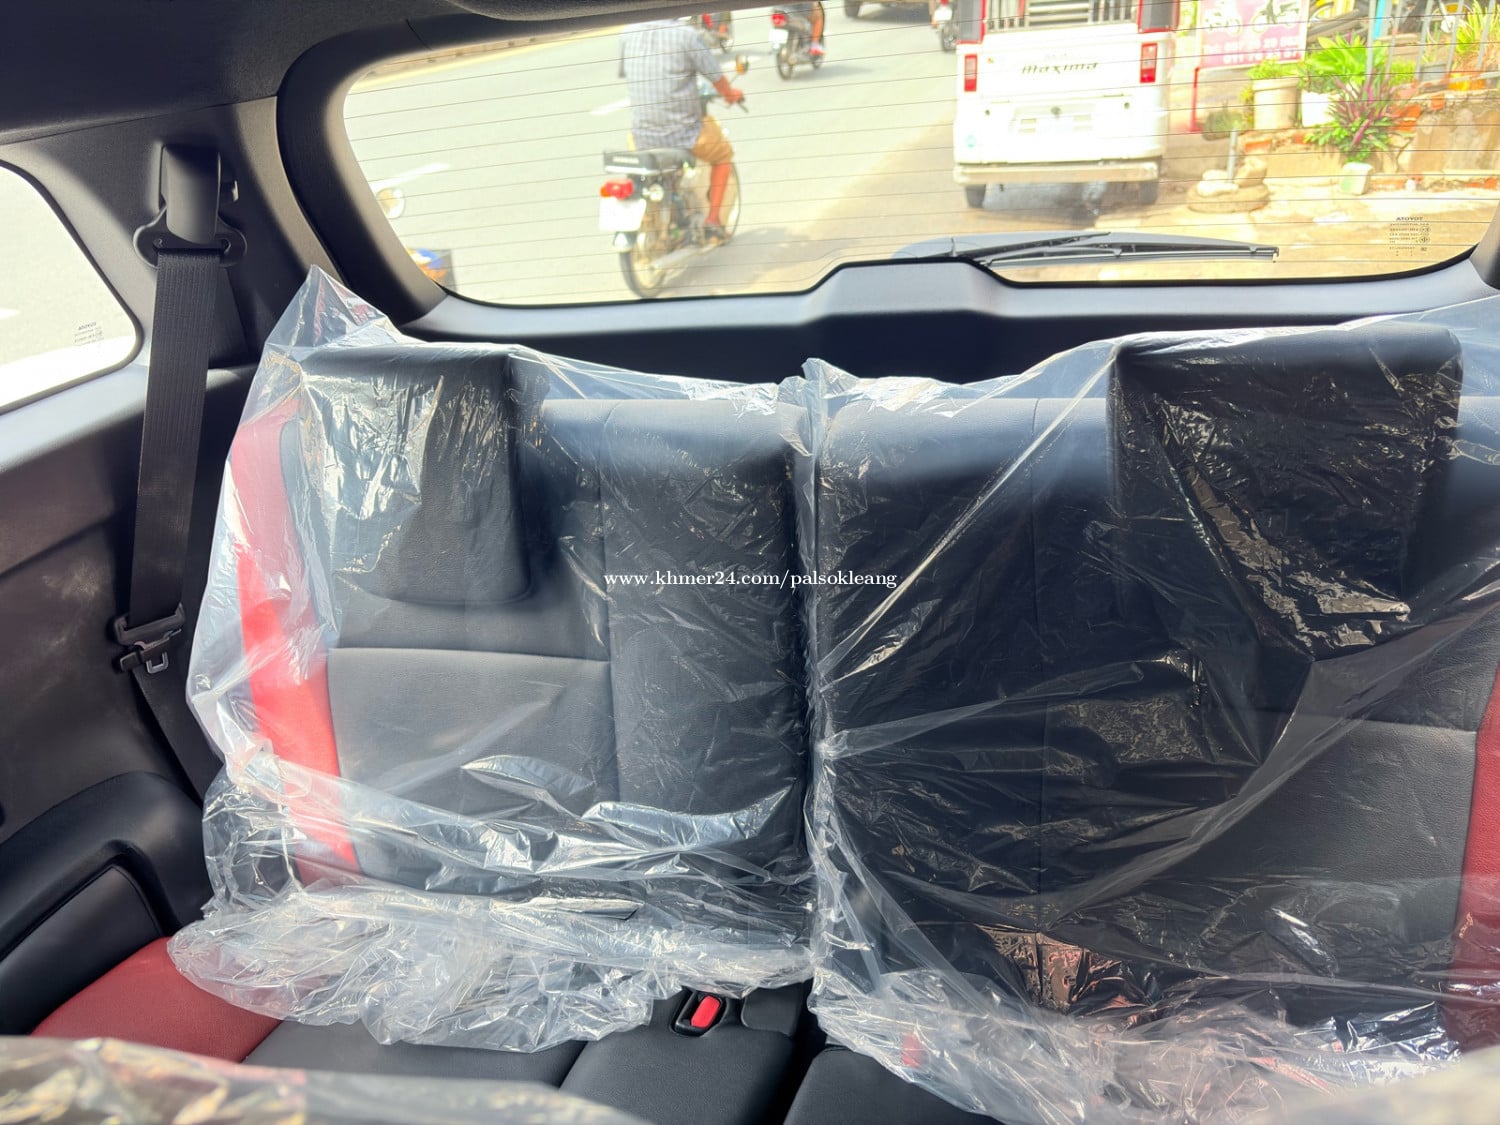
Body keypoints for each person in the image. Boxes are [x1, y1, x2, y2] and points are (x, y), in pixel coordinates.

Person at [618, 18, 745, 244]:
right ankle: (713, 221)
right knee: (723, 155)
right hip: (684, 133)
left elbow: (630, 73)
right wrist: (730, 94)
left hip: (641, 135)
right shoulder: (686, 34)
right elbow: (716, 77)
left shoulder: (628, 32)